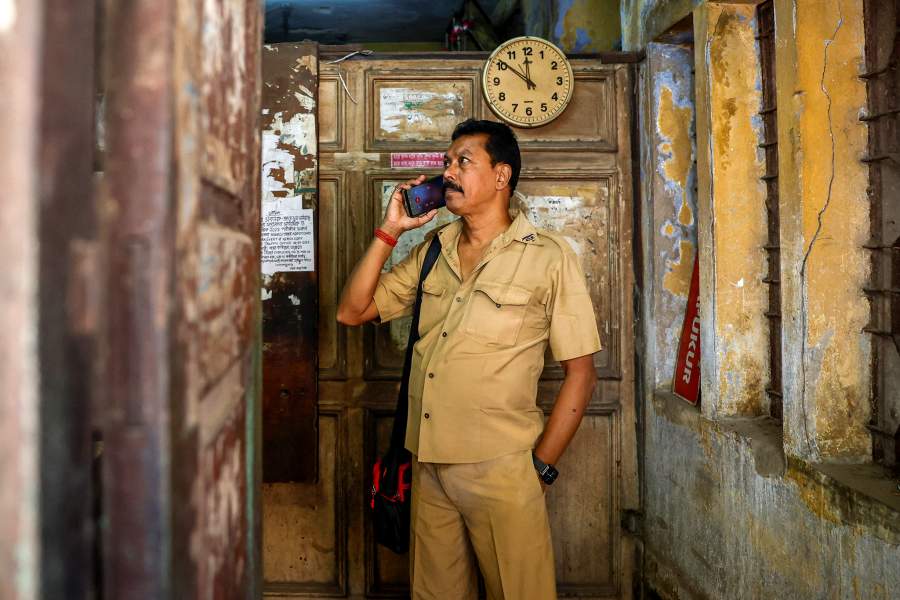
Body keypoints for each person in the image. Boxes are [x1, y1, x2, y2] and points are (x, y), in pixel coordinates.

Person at [336, 119, 601, 600]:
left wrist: (540, 467)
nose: (448, 172)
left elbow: (581, 374)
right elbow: (352, 310)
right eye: (445, 162)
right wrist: (391, 230)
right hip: (429, 462)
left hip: (501, 468)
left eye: (463, 161)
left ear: (502, 176)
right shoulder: (433, 251)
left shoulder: (548, 258)